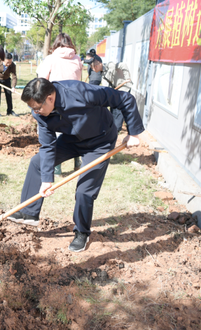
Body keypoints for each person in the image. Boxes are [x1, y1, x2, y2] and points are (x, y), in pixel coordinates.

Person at [7, 78, 144, 252]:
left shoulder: (81, 92)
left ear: (50, 98)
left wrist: (133, 133)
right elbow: (48, 146)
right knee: (37, 163)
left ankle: (82, 232)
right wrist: (46, 180)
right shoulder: (39, 113)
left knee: (84, 191)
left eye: (37, 107)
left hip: (99, 142)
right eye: (32, 108)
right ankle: (29, 212)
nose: (35, 112)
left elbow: (125, 98)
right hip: (71, 139)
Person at [37, 32, 83, 174]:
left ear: (55, 44)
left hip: (56, 100)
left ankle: (56, 168)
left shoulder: (50, 59)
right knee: (75, 131)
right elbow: (79, 80)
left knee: (55, 131)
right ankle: (77, 162)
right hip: (75, 100)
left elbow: (42, 80)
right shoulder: (77, 59)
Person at [85, 56, 134, 132]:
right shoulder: (103, 73)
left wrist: (127, 77)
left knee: (118, 109)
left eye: (93, 68)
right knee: (112, 106)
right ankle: (112, 126)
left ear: (97, 66)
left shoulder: (110, 65)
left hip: (124, 87)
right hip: (116, 88)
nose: (93, 70)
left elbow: (123, 65)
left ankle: (116, 129)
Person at [0, 52, 18, 117]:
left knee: (9, 94)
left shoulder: (12, 65)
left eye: (10, 62)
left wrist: (13, 86)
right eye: (7, 62)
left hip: (6, 79)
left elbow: (14, 76)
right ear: (3, 60)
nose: (9, 64)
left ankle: (9, 111)